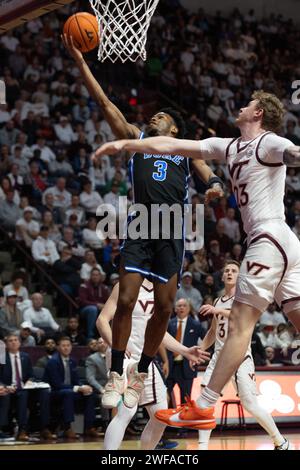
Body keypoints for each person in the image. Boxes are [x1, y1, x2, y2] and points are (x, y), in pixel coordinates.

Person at [97, 90, 300, 433]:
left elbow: (292, 153)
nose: (241, 105)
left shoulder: (269, 142)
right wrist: (125, 145)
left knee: (239, 325)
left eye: (249, 103)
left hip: (268, 238)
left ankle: (204, 404)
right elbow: (172, 147)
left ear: (260, 113)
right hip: (286, 245)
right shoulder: (228, 145)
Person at [62, 33, 224, 409]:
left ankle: (141, 372)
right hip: (141, 225)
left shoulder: (184, 149)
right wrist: (81, 62)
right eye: (153, 116)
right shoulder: (136, 139)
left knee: (165, 307)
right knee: (127, 301)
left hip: (171, 229)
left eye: (162, 116)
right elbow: (105, 103)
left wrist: (214, 184)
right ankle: (118, 373)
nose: (154, 117)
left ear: (174, 130)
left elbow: (205, 168)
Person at [97, 279, 209, 450]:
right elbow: (102, 320)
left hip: (145, 358)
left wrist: (185, 351)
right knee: (127, 411)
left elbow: (160, 333)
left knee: (161, 414)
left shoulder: (162, 290)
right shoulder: (124, 285)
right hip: (123, 355)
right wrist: (116, 344)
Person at [197, 261, 288, 450]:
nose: (229, 273)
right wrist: (199, 350)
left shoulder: (244, 298)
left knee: (250, 404)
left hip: (239, 356)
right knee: (204, 402)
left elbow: (239, 317)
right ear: (222, 277)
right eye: (226, 271)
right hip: (218, 356)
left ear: (240, 276)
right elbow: (213, 331)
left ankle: (280, 440)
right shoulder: (217, 301)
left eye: (234, 271)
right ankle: (202, 447)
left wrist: (217, 311)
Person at [0, 334, 54, 441]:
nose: (13, 342)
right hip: (10, 389)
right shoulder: (2, 358)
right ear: (6, 344)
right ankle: (22, 429)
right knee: (22, 395)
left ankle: (44, 427)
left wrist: (30, 380)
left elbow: (31, 375)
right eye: (10, 340)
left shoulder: (25, 356)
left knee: (44, 392)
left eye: (16, 340)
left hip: (24, 387)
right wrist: (4, 386)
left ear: (19, 343)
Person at [43, 336, 100, 439]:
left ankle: (89, 427)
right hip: (55, 392)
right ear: (58, 347)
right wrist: (77, 388)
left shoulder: (72, 361)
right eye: (63, 346)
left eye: (68, 345)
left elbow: (76, 380)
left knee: (89, 394)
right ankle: (67, 428)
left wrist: (83, 386)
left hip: (70, 390)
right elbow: (57, 384)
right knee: (68, 393)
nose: (66, 348)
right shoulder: (53, 362)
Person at [167, 298, 204, 405]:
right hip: (170, 365)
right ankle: (168, 420)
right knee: (165, 396)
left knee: (186, 398)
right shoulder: (169, 324)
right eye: (179, 306)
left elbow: (207, 340)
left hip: (187, 366)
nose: (181, 308)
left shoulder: (195, 324)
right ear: (175, 309)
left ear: (189, 309)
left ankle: (184, 421)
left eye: (184, 306)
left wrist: (199, 356)